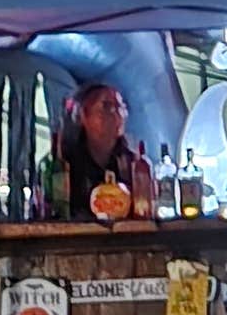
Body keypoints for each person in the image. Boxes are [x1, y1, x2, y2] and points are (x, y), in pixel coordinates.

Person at [57, 78, 157, 217]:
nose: (117, 114)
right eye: (106, 106)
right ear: (83, 115)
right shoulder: (66, 165)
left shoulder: (133, 164)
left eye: (120, 107)